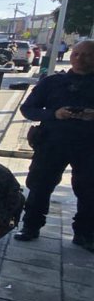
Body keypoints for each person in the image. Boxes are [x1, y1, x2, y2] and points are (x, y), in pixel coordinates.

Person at [14, 40, 94, 249]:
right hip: (52, 143)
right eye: (76, 54)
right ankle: (31, 227)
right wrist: (54, 114)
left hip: (88, 146)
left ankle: (84, 233)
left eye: (86, 55)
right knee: (40, 186)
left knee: (88, 190)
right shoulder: (53, 82)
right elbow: (29, 109)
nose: (79, 59)